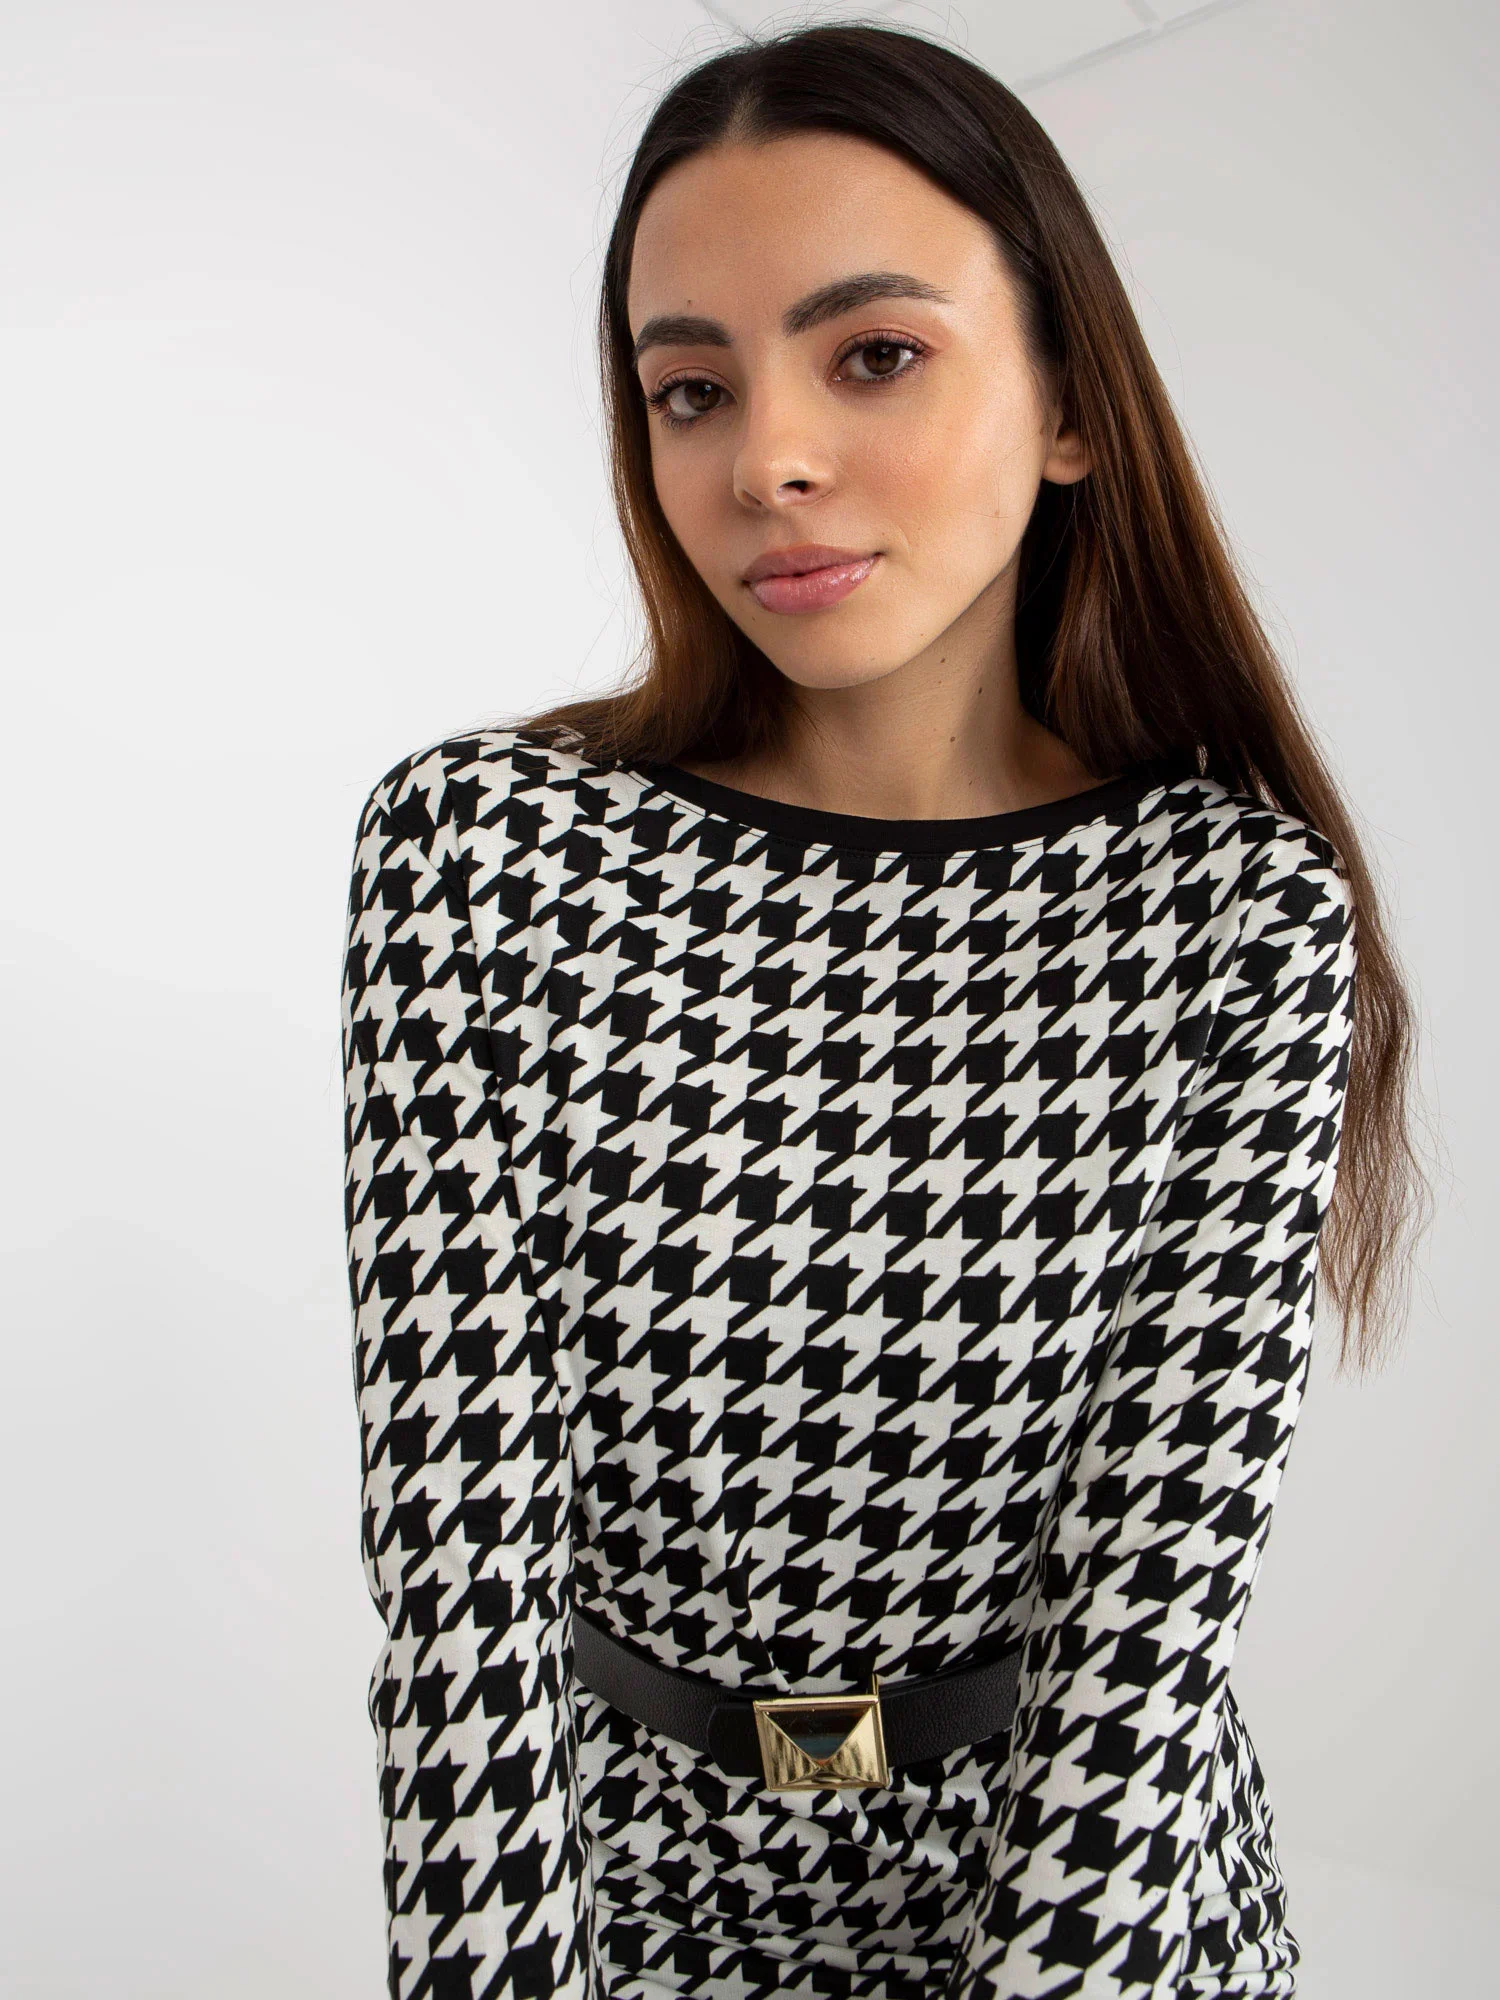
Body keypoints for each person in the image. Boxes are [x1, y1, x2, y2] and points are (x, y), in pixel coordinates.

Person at [340, 24, 1430, 2000]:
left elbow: (1144, 1638)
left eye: (873, 355)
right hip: (622, 1891)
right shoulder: (481, 854)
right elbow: (455, 1591)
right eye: (692, 388)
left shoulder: (1236, 915)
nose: (765, 458)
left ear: (1071, 402)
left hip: (1088, 1897)